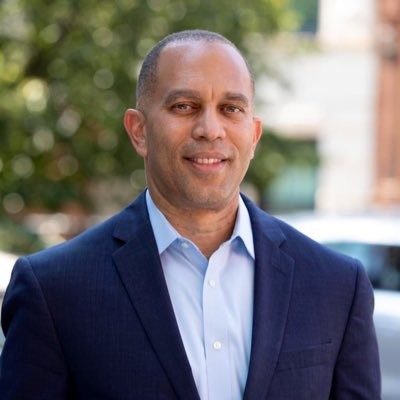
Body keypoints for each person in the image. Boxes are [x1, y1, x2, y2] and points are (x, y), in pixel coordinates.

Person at [0, 29, 380, 399]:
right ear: (139, 131)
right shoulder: (53, 290)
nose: (210, 129)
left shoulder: (337, 286)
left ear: (254, 135)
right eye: (184, 106)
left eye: (231, 109)